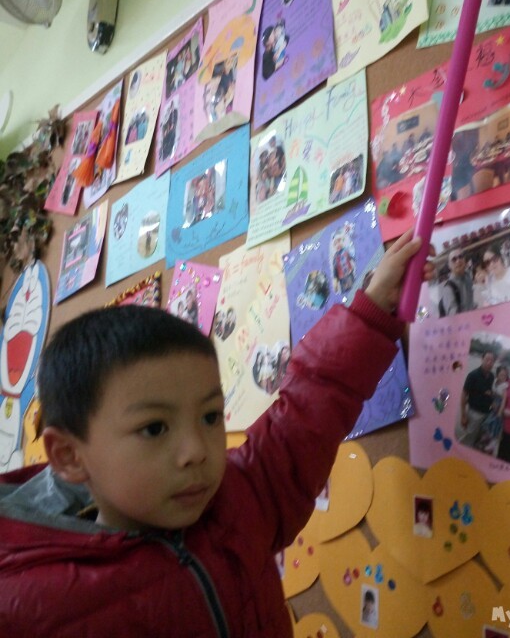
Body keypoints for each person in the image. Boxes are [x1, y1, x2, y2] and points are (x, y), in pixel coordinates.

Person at [0, 231, 434, 637]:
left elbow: (304, 417)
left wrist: (371, 312)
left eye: (210, 417)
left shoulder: (236, 496)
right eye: (155, 428)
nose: (197, 451)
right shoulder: (27, 608)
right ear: (70, 456)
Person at [459, 350, 496, 447]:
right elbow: (464, 395)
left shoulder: (491, 376)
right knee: (468, 438)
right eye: (487, 359)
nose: (489, 362)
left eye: (492, 360)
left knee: (477, 438)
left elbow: (489, 392)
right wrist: (463, 415)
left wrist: (493, 401)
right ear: (482, 359)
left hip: (486, 413)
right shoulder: (473, 375)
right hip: (474, 413)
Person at [477, 365, 509, 455]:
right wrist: (490, 394)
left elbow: (504, 400)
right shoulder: (495, 382)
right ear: (497, 374)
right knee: (489, 422)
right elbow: (493, 394)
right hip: (493, 406)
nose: (503, 377)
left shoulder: (504, 386)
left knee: (496, 425)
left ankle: (493, 443)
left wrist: (500, 411)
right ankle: (488, 436)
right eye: (501, 375)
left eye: (505, 375)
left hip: (499, 407)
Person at [439, 249, 475, 316]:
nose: (458, 261)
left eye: (460, 257)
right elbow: (453, 316)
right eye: (454, 259)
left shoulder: (468, 277)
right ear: (449, 265)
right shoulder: (448, 288)